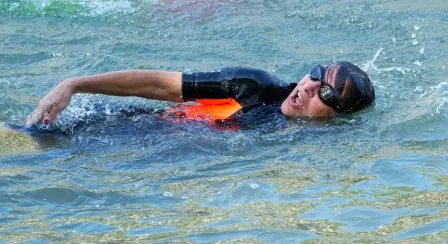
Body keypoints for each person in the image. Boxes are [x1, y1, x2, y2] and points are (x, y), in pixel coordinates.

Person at [26, 61, 375, 127]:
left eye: (326, 93)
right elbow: (160, 84)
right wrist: (73, 84)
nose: (309, 87)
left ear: (338, 116)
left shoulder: (314, 150)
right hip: (116, 130)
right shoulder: (251, 85)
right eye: (315, 75)